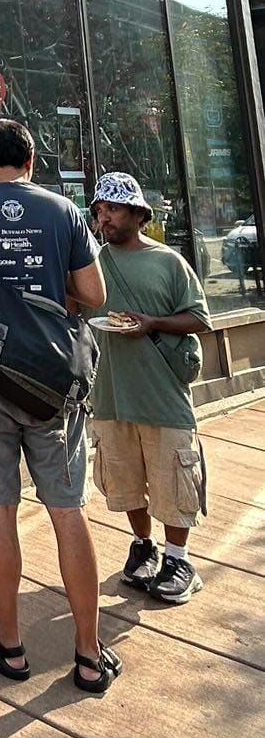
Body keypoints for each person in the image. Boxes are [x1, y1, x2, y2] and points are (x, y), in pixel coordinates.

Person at [0, 120, 120, 695]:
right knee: (66, 509)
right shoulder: (64, 211)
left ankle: (9, 645)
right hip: (52, 378)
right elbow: (95, 296)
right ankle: (88, 653)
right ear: (31, 159)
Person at [90, 172, 211, 605]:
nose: (104, 218)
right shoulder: (92, 263)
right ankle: (144, 546)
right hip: (110, 395)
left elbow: (199, 317)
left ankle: (179, 560)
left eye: (114, 209)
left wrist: (152, 323)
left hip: (162, 395)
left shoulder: (168, 262)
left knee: (172, 481)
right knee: (124, 481)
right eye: (100, 210)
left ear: (138, 214)